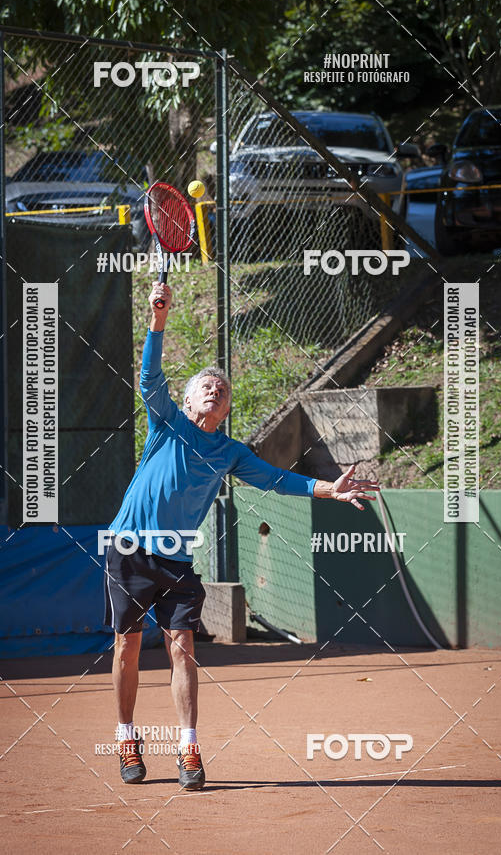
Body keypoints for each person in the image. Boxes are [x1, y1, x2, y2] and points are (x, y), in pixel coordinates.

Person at [103, 280, 380, 790]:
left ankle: (188, 746)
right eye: (207, 386)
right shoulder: (167, 424)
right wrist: (158, 319)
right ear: (188, 400)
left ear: (227, 411)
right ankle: (125, 736)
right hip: (128, 548)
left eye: (223, 391)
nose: (216, 390)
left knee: (183, 646)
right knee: (127, 646)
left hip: (175, 559)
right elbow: (148, 377)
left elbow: (277, 479)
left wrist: (328, 489)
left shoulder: (231, 453)